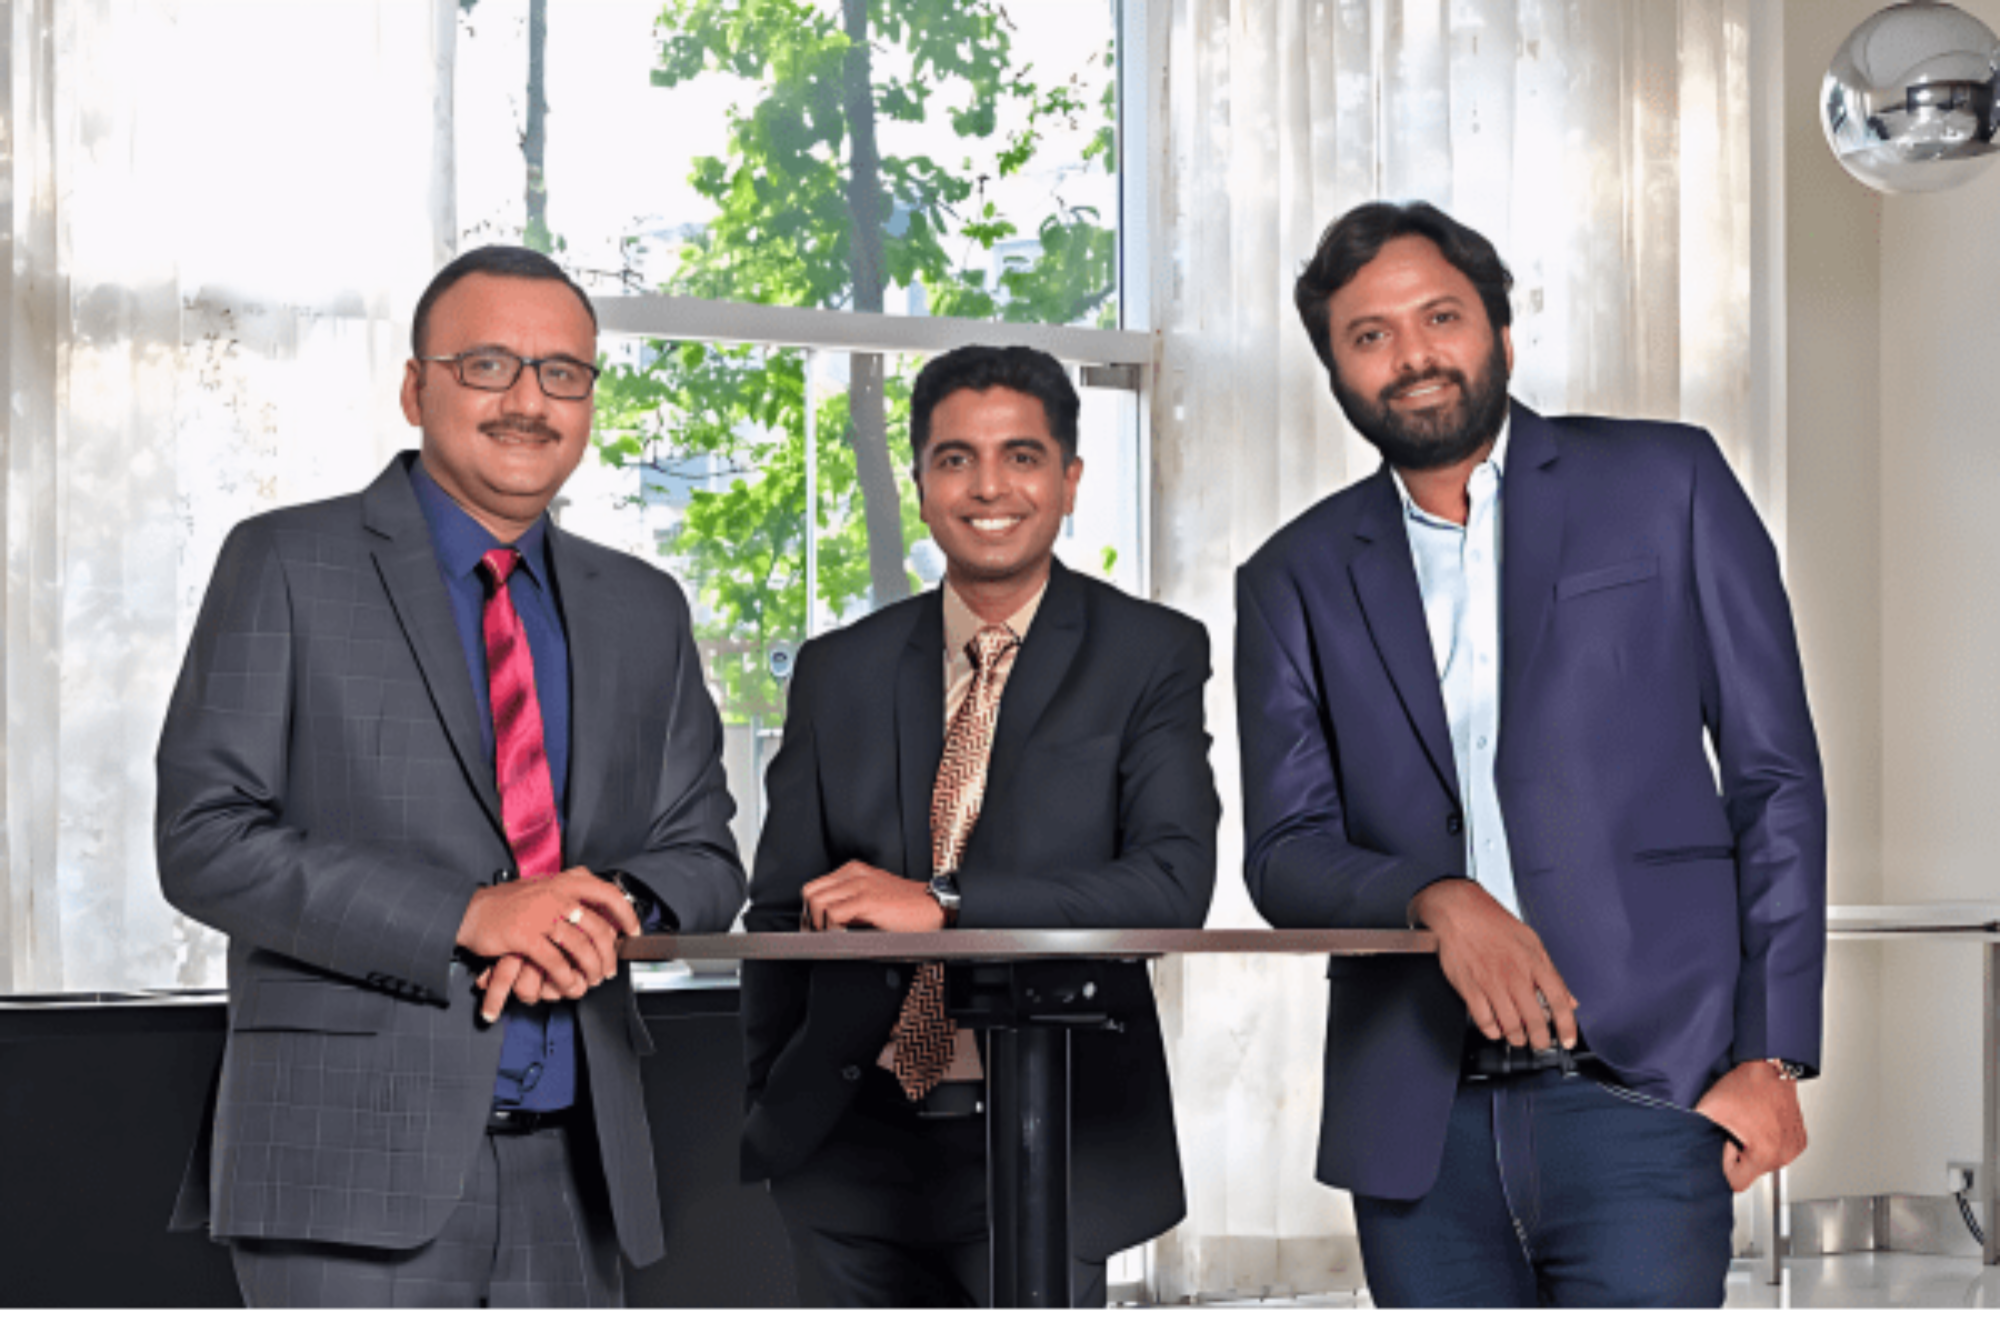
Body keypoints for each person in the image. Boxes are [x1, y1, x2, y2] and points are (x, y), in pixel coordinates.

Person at [1235, 201, 1826, 1307]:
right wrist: (1434, 896)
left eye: (1439, 317)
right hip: (1418, 1123)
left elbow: (1775, 780)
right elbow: (1283, 850)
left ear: (1500, 334)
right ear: (1336, 374)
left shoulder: (1668, 482)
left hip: (1647, 1091)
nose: (1412, 354)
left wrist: (1773, 1054)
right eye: (1369, 335)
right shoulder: (1290, 577)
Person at [155, 245, 745, 1307]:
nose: (528, 400)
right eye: (487, 365)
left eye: (561, 372)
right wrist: (470, 915)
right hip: (343, 1172)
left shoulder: (643, 606)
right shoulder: (285, 562)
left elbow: (703, 854)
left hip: (577, 1169)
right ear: (414, 387)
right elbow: (205, 839)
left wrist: (591, 911)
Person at [738, 344, 1218, 1307]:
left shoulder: (1150, 652)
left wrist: (945, 905)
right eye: (955, 458)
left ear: (1069, 480)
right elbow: (779, 911)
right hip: (846, 1146)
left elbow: (1170, 886)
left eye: (1021, 456)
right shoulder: (838, 669)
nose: (989, 486)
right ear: (921, 486)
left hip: (1051, 1137)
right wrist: (772, 1096)